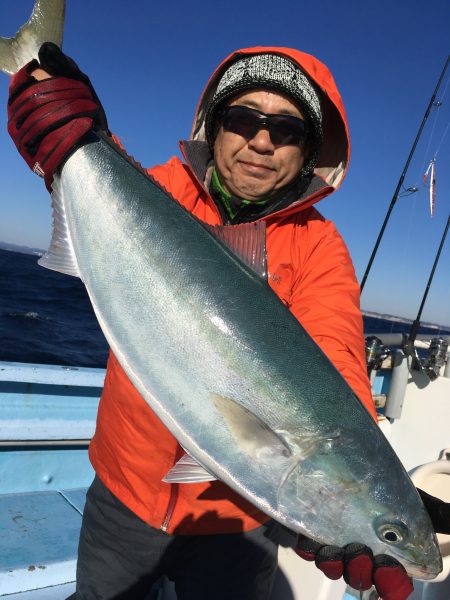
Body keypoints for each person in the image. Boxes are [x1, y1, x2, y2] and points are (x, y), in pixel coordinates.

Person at [7, 43, 450, 600]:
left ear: (309, 149)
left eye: (286, 130)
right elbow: (99, 178)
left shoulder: (320, 248)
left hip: (239, 523)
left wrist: (368, 508)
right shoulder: (161, 189)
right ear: (215, 128)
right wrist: (65, 133)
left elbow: (335, 352)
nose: (261, 141)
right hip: (124, 492)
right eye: (244, 120)